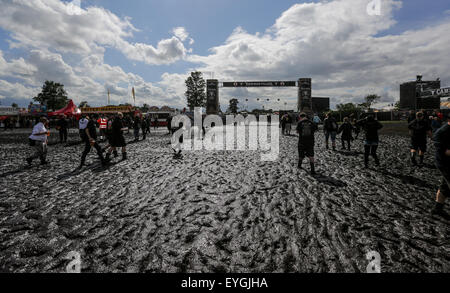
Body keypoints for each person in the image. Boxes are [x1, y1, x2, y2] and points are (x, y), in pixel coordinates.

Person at [431, 112, 450, 219]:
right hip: (445, 164)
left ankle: (437, 209)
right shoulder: (442, 133)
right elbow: (445, 151)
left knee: (444, 187)